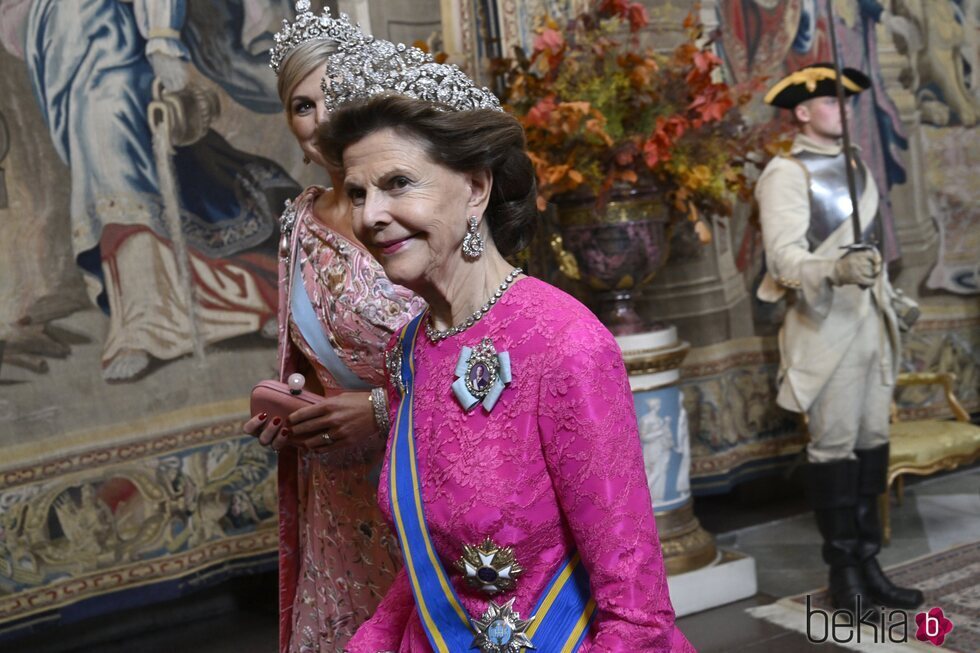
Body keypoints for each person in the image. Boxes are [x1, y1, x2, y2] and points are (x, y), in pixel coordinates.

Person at [318, 35, 694, 652]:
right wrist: (374, 639)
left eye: (397, 184)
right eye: (356, 193)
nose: (370, 215)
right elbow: (435, 558)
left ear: (474, 187)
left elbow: (638, 614)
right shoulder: (408, 350)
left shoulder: (567, 346)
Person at [242, 5, 424, 652]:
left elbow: (489, 349)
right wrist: (289, 408)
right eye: (301, 104)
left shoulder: (419, 200)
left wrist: (379, 408)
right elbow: (308, 356)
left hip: (431, 480)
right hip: (341, 497)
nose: (321, 119)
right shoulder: (299, 221)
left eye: (336, 97)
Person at [24, 0, 301, 381]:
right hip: (63, 37)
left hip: (115, 37)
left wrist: (162, 36)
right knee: (110, 164)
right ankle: (150, 317)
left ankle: (148, 325)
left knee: (120, 156)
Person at [755, 63, 923, 613]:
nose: (843, 110)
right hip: (826, 329)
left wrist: (891, 297)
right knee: (834, 451)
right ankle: (843, 573)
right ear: (802, 112)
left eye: (846, 102)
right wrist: (834, 272)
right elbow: (783, 260)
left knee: (873, 444)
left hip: (872, 322)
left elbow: (869, 247)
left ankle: (869, 564)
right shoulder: (786, 172)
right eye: (831, 102)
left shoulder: (854, 163)